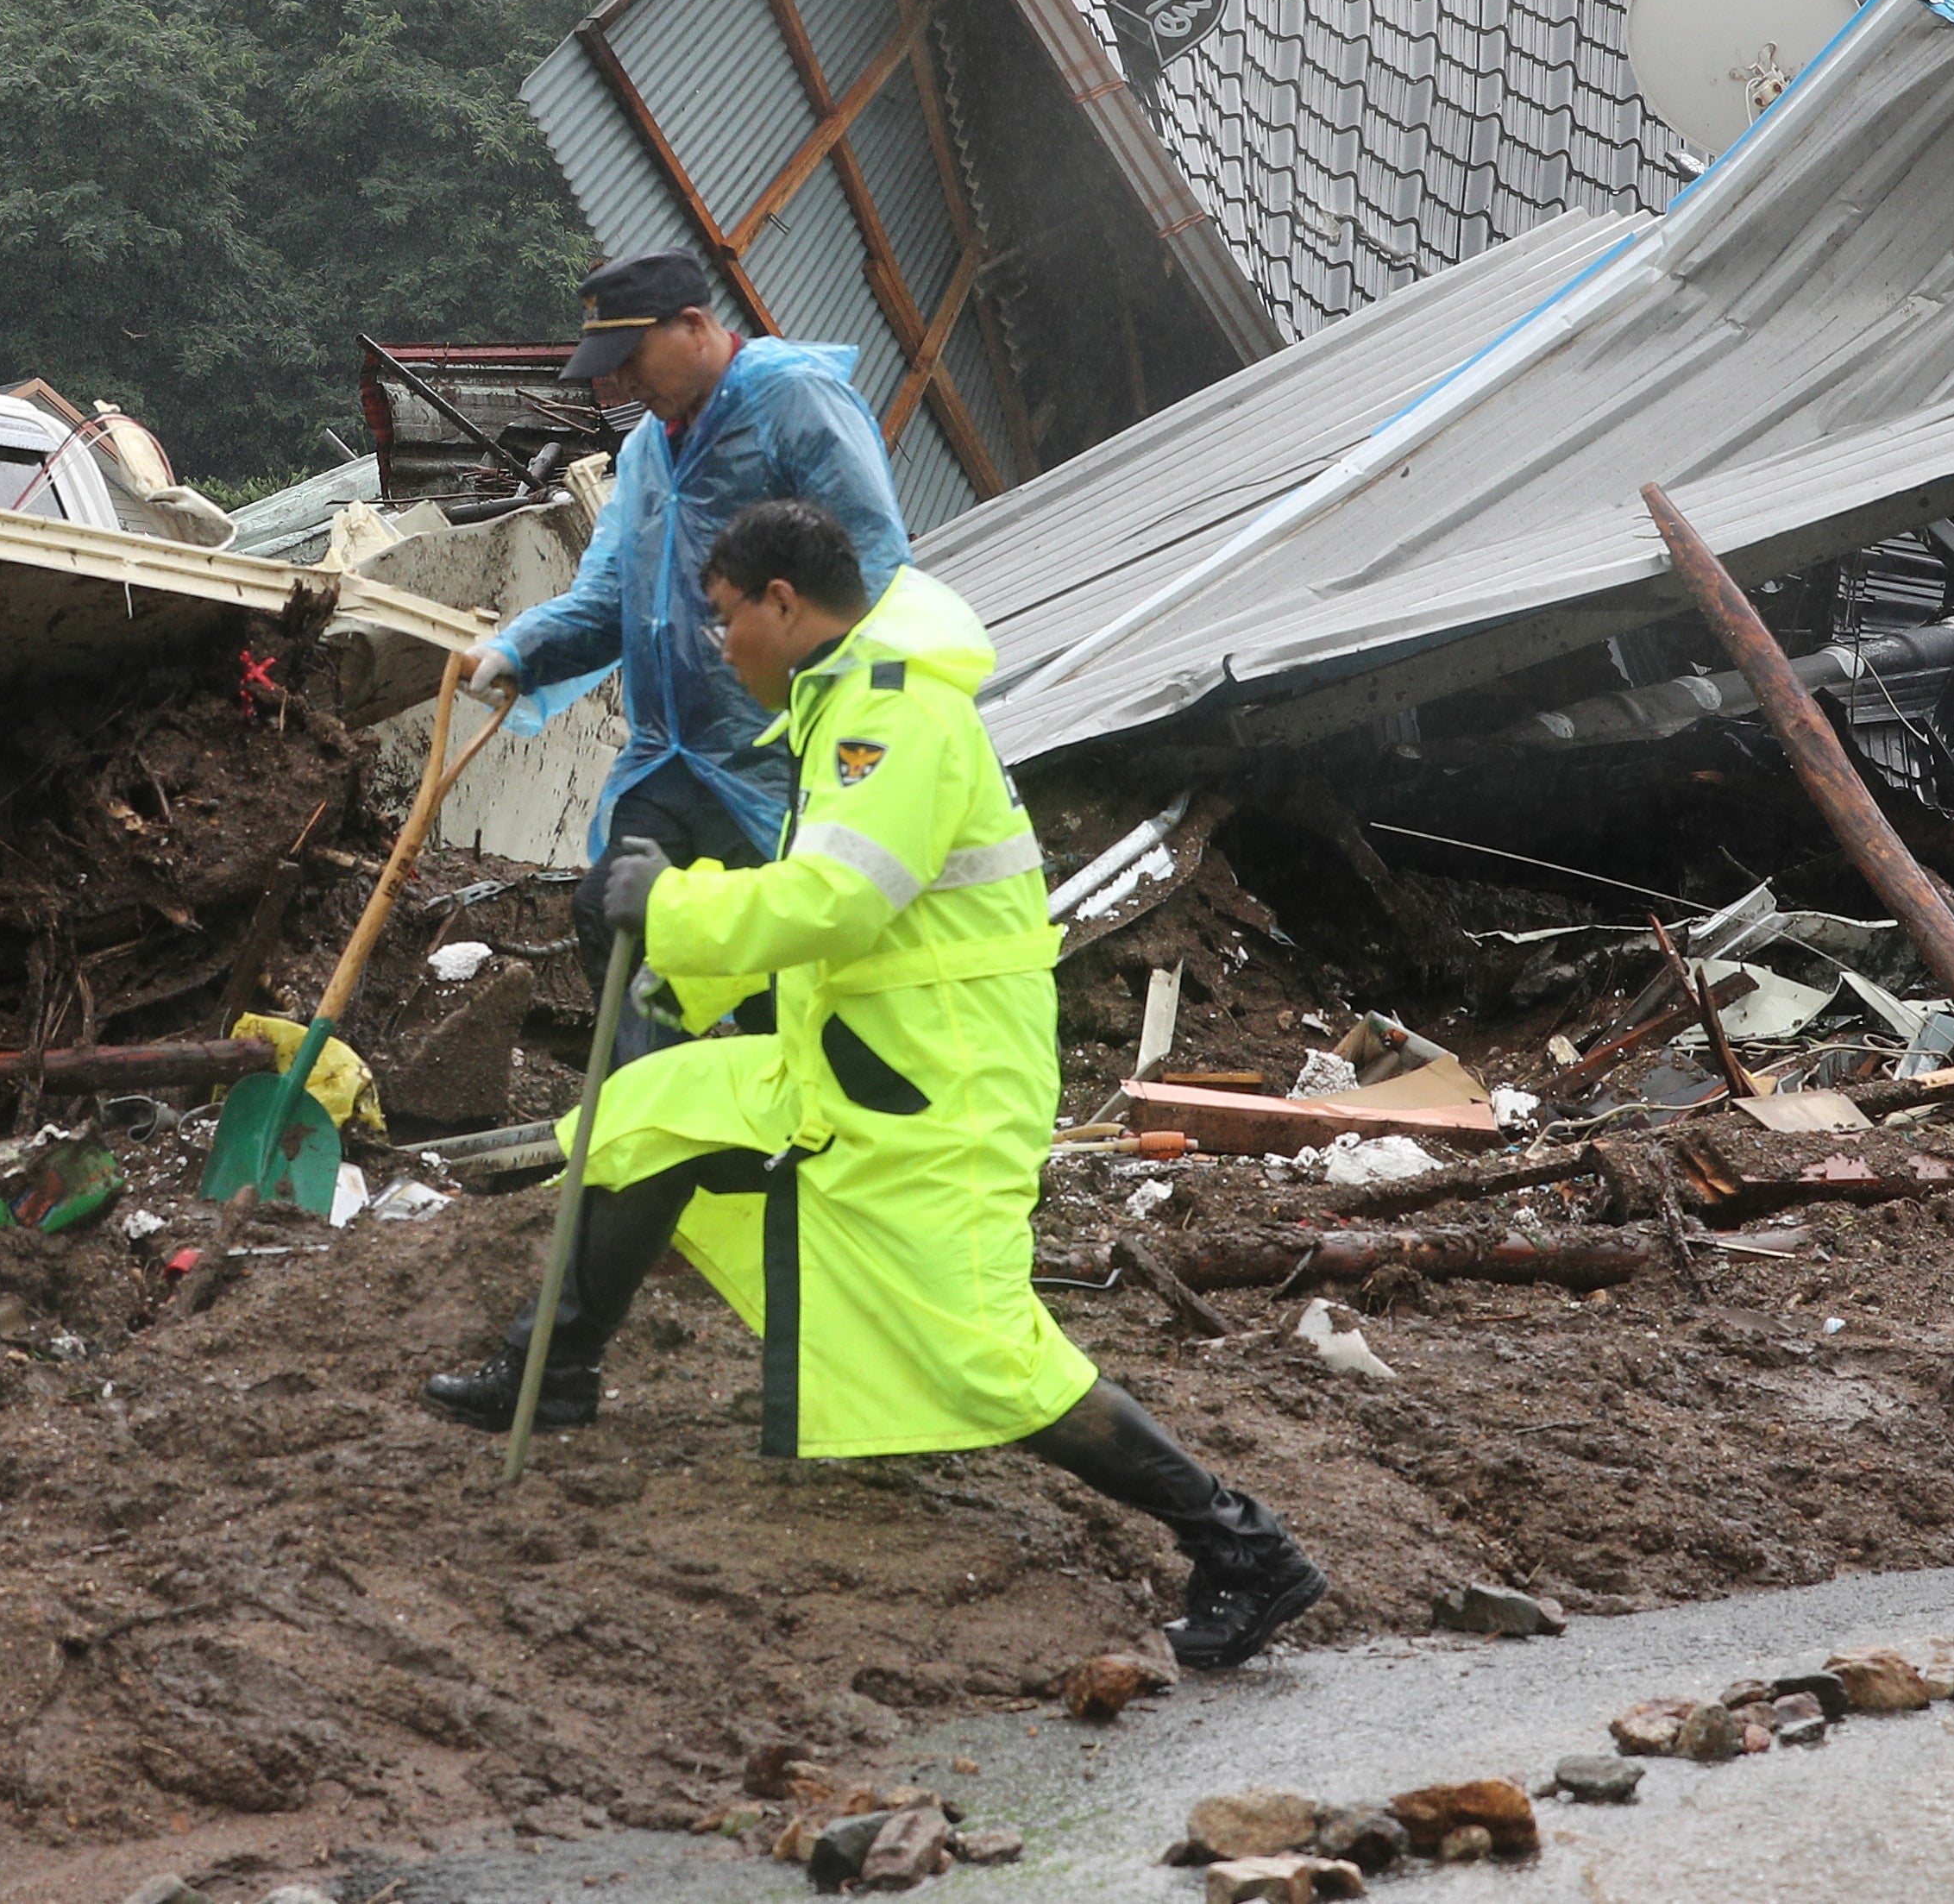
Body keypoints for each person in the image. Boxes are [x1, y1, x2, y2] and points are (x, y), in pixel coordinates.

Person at [424, 500, 1329, 1672]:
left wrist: (663, 907)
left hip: (936, 1083)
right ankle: (553, 1368)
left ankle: (1241, 1544)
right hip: (860, 1060)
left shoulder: (891, 721)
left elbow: (835, 905)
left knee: (980, 1352)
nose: (717, 645)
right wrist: (676, 968)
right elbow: (836, 918)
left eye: (723, 618)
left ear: (783, 605)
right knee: (646, 1113)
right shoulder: (845, 703)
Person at [466, 249, 912, 1046]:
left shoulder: (791, 401)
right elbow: (614, 599)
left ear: (695, 326)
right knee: (616, 918)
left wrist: (840, 701)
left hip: (778, 756)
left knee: (785, 962)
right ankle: (654, 1124)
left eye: (633, 358)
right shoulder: (647, 451)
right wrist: (522, 652)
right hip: (670, 753)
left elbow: (873, 562)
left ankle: (787, 1113)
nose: (623, 383)